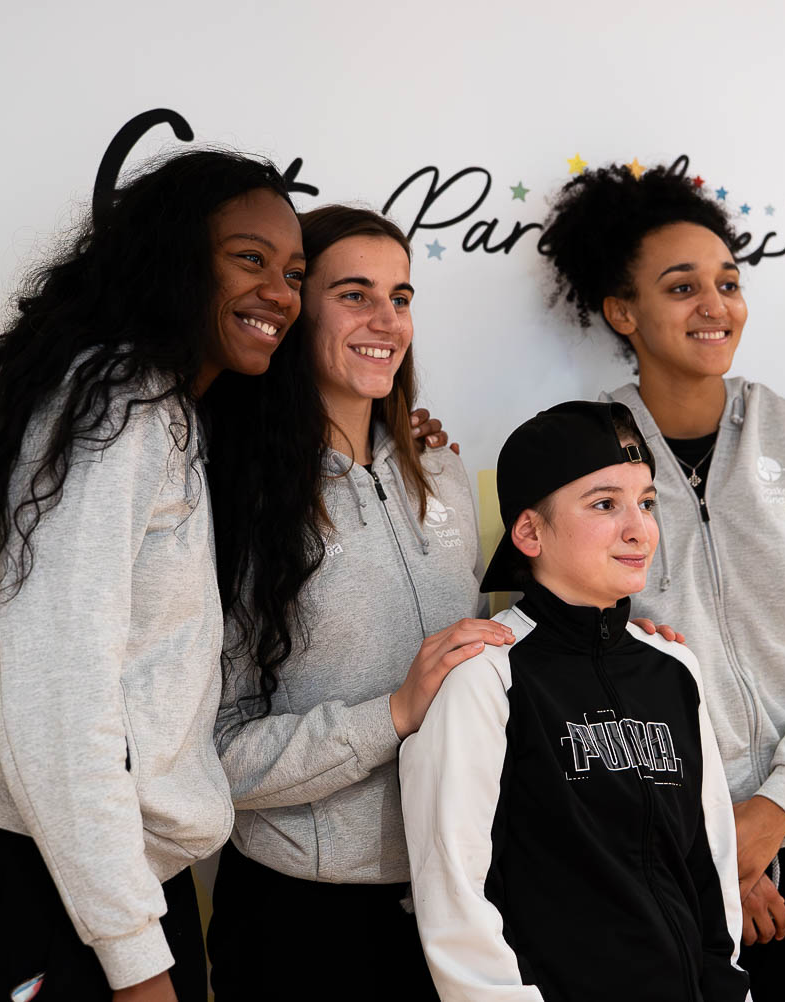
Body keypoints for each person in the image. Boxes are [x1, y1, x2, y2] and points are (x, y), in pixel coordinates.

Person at [0, 150, 327, 1002]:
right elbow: (58, 699)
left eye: (293, 273)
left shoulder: (172, 412)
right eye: (249, 259)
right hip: (42, 878)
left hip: (113, 881)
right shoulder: (115, 408)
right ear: (175, 258)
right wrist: (135, 959)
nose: (280, 293)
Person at [538, 163, 785, 999]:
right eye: (682, 287)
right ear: (622, 312)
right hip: (658, 857)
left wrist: (771, 814)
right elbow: (577, 681)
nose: (715, 305)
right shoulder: (579, 460)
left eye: (728, 283)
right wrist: (712, 842)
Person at [205, 205, 506, 1000]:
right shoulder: (230, 492)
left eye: (400, 298)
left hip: (455, 894)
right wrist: (392, 715)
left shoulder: (441, 469)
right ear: (297, 311)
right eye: (354, 295)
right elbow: (214, 753)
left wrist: (609, 642)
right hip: (302, 916)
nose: (386, 320)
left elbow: (486, 664)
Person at [400, 400, 750, 1002]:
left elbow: (709, 863)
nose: (639, 529)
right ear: (530, 532)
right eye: (604, 504)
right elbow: (458, 900)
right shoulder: (485, 676)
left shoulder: (673, 670)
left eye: (646, 502)